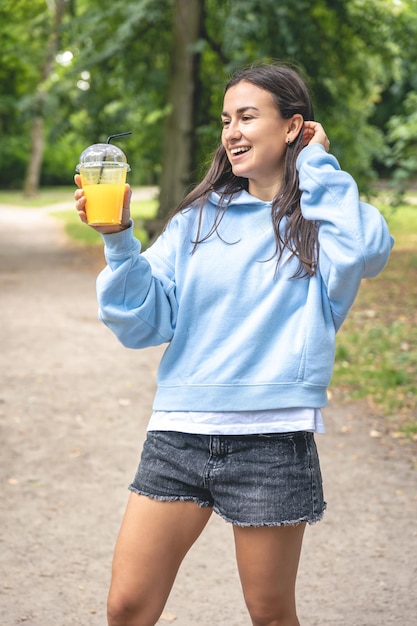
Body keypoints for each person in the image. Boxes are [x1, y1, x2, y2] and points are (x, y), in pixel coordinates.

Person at [74, 62, 393, 626]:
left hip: (271, 441)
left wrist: (317, 164)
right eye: (227, 119)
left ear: (293, 126)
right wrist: (120, 241)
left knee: (269, 614)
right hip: (179, 434)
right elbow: (142, 321)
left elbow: (366, 249)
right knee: (126, 607)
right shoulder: (199, 218)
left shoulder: (322, 221)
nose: (232, 132)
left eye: (248, 117)